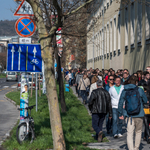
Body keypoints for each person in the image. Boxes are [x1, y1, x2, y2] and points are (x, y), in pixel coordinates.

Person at [118, 75, 148, 150]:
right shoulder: (140, 90)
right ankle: (136, 148)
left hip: (129, 115)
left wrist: (120, 113)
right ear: (136, 82)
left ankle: (131, 148)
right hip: (139, 114)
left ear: (128, 81)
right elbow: (145, 100)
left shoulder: (125, 90)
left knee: (129, 133)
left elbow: (120, 103)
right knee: (138, 132)